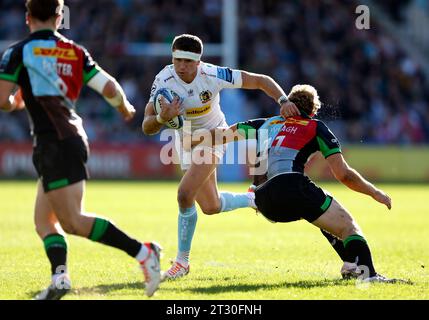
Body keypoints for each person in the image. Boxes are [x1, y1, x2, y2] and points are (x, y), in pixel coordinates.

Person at [0, 0, 161, 299]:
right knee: (43, 222)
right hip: (70, 137)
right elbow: (110, 87)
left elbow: (2, 100)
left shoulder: (19, 52)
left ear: (27, 17)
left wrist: (15, 100)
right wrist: (124, 107)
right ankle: (60, 278)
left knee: (72, 221)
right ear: (59, 17)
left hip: (54, 142)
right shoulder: (75, 52)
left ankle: (144, 252)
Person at [194, 84, 404, 282]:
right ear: (313, 111)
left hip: (263, 200)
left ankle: (351, 266)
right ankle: (369, 276)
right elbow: (344, 175)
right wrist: (375, 192)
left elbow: (220, 136)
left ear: (287, 105)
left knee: (324, 212)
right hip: (291, 188)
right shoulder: (315, 126)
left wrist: (187, 137)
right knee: (349, 227)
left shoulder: (264, 123)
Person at [142, 34, 299, 280]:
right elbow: (147, 126)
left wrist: (283, 100)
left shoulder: (213, 75)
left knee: (184, 194)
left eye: (186, 61)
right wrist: (162, 118)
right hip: (185, 140)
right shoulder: (163, 80)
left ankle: (182, 263)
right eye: (176, 60)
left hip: (214, 136)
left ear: (198, 62)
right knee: (211, 206)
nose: (180, 66)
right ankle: (253, 198)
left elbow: (260, 80)